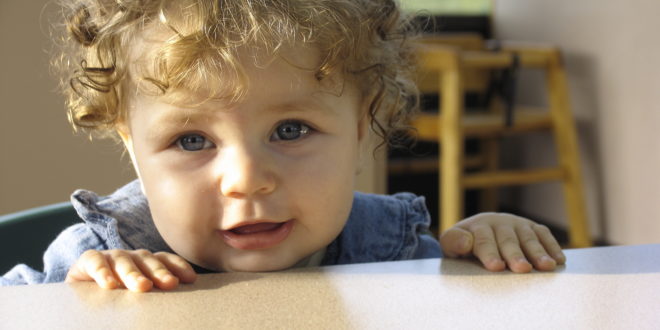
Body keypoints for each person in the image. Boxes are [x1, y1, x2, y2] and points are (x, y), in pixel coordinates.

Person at [0, 0, 565, 291]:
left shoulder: (388, 247)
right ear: (132, 146)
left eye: (290, 130)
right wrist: (72, 307)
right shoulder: (96, 258)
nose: (246, 180)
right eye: (191, 139)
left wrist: (479, 258)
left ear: (363, 123)